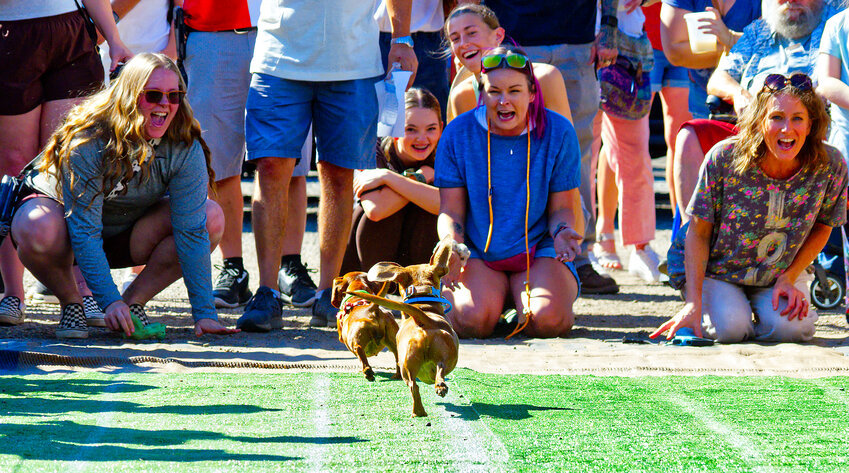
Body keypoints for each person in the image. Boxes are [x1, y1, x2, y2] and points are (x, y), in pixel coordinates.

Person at [10, 53, 239, 339]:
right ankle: (73, 303)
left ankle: (134, 302)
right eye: (153, 95)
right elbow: (84, 231)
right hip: (67, 234)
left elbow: (192, 231)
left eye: (174, 95)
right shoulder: (90, 138)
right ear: (129, 96)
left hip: (126, 233)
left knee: (210, 217)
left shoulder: (183, 143)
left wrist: (204, 314)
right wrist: (109, 301)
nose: (165, 105)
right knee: (36, 225)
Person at [239, 0, 417, 331]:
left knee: (338, 176)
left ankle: (329, 294)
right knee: (271, 171)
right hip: (278, 57)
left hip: (355, 63)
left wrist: (402, 38)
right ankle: (266, 292)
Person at [651, 73, 847, 343]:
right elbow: (698, 233)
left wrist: (789, 278)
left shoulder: (831, 165)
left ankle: (752, 311)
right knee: (729, 329)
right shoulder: (723, 158)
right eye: (776, 117)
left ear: (811, 124)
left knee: (792, 330)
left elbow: (824, 226)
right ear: (759, 121)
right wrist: (694, 304)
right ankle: (721, 307)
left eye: (797, 118)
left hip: (779, 272)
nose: (786, 129)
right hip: (717, 270)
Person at [436, 48, 584, 339]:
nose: (504, 101)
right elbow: (450, 211)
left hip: (538, 251)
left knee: (548, 322)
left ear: (531, 94)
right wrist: (450, 245)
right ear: (482, 95)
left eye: (514, 91)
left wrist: (563, 231)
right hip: (477, 252)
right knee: (472, 322)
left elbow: (561, 209)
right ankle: (495, 300)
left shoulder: (559, 131)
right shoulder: (457, 133)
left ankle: (524, 299)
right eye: (494, 92)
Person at [0, 0, 132, 326]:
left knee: (71, 165)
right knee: (16, 167)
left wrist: (114, 39)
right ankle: (12, 293)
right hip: (10, 33)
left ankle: (83, 294)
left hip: (70, 29)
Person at [482, 0, 619, 295]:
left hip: (576, 42)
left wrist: (609, 27)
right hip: (512, 46)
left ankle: (578, 256)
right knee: (509, 152)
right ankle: (507, 258)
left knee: (578, 153)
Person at [672, 0, 836, 224]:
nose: (791, 1)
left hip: (802, 134)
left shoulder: (833, 28)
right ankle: (690, 235)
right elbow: (719, 78)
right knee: (689, 136)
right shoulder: (759, 31)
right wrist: (738, 94)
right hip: (752, 132)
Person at [340, 88, 442, 286]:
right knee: (376, 210)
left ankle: (422, 288)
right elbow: (376, 210)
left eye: (431, 129)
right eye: (410, 129)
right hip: (369, 258)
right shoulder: (372, 145)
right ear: (394, 129)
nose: (422, 138)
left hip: (417, 254)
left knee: (429, 211)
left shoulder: (444, 151)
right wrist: (421, 178)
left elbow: (444, 205)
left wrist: (389, 178)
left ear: (441, 128)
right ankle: (374, 287)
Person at [593, 1, 663, 282]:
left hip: (631, 49)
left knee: (634, 153)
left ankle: (641, 245)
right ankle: (587, 244)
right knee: (580, 152)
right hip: (578, 39)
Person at [443, 4, 572, 124]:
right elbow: (470, 147)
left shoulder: (545, 78)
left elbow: (566, 143)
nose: (463, 43)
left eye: (471, 33)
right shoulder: (463, 95)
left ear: (498, 36)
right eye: (455, 39)